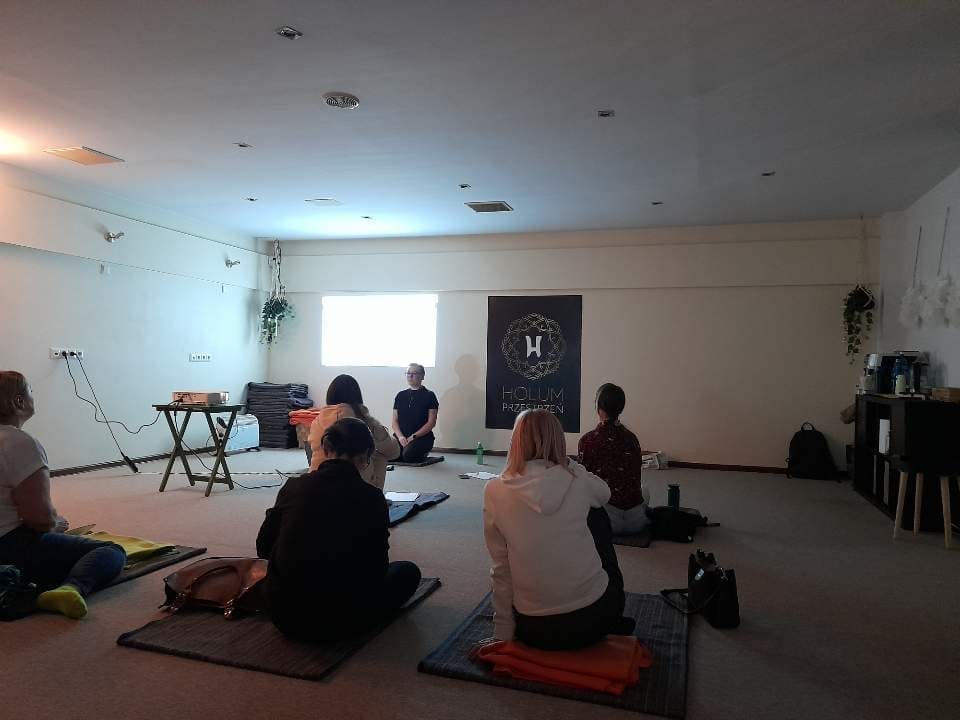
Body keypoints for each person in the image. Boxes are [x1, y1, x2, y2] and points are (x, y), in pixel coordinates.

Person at [256, 417, 422, 641]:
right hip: (345, 618)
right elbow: (377, 568)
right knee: (408, 572)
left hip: (283, 614)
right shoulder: (371, 498)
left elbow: (263, 547)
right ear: (366, 455)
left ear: (326, 449)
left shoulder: (295, 486)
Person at [482, 409, 633, 650]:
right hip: (597, 619)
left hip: (534, 630)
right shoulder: (576, 478)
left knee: (510, 553)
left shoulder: (494, 491)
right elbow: (605, 494)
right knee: (597, 512)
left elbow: (500, 567)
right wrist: (573, 466)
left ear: (515, 441)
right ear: (559, 440)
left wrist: (503, 632)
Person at [0, 371, 125, 619]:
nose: (33, 396)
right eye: (31, 391)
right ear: (19, 401)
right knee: (111, 552)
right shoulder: (19, 443)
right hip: (8, 545)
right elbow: (39, 520)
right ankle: (70, 589)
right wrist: (54, 525)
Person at [578, 383, 650, 535]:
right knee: (645, 489)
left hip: (605, 521)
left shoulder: (587, 440)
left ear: (598, 407)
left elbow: (583, 483)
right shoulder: (632, 439)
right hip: (636, 522)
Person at [308, 374, 399, 490]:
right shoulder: (363, 420)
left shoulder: (317, 421)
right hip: (353, 490)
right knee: (381, 454)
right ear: (357, 396)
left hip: (315, 485)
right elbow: (394, 451)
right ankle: (373, 493)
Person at [391, 363, 439, 463]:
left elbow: (431, 423)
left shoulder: (429, 396)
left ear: (422, 376)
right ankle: (403, 450)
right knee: (390, 454)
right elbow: (394, 420)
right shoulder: (400, 395)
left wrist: (413, 437)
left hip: (421, 437)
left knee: (408, 456)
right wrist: (400, 437)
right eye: (408, 373)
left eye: (414, 373)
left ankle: (421, 452)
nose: (410, 376)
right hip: (401, 437)